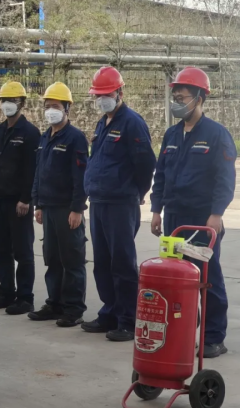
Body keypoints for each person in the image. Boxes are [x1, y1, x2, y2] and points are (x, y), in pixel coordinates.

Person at [150, 67, 236, 358]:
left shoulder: (216, 134)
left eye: (182, 97)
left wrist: (216, 214)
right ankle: (183, 332)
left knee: (206, 277)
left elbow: (225, 179)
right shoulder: (172, 134)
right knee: (176, 277)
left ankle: (213, 337)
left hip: (202, 220)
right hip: (174, 218)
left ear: (199, 98)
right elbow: (161, 175)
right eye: (175, 97)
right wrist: (156, 210)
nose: (177, 102)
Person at [82, 67, 157, 341]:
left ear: (120, 93)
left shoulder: (132, 122)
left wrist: (137, 192)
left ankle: (128, 319)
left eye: (107, 94)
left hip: (121, 203)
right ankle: (110, 312)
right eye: (98, 95)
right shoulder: (103, 123)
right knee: (102, 262)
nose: (102, 99)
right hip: (99, 201)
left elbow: (145, 163)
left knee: (122, 262)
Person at [28, 82, 88, 327]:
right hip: (48, 206)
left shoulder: (75, 138)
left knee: (71, 260)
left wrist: (77, 208)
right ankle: (54, 304)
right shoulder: (45, 137)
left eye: (55, 106)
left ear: (67, 108)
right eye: (47, 106)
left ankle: (73, 309)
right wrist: (38, 204)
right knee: (52, 259)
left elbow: (80, 177)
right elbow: (38, 172)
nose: (50, 110)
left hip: (67, 209)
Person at [0, 82, 40, 315]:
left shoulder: (30, 133)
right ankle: (6, 292)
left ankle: (25, 297)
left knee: (23, 251)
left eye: (12, 100)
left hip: (20, 203)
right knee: (1, 250)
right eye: (4, 100)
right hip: (0, 202)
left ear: (22, 103)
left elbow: (32, 169)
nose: (7, 105)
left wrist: (26, 199)